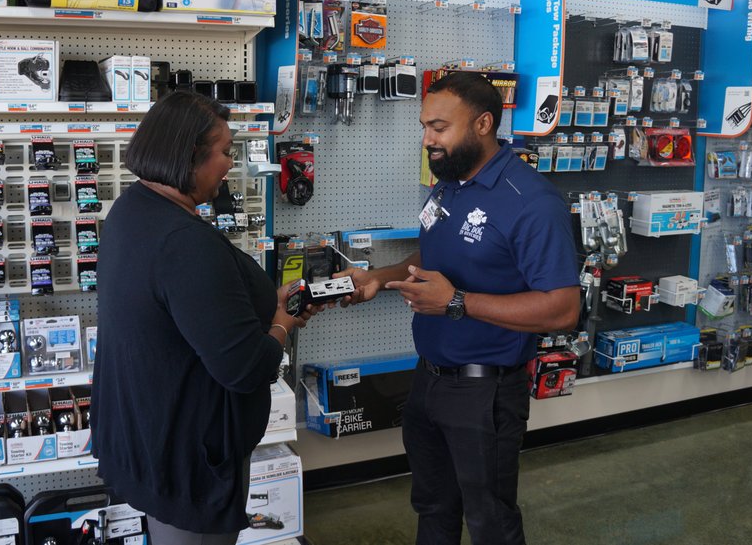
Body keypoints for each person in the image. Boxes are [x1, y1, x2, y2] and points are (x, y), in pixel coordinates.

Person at [336, 72, 580, 545]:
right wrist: (379, 278)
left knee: (491, 522)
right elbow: (437, 256)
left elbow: (563, 309)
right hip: (429, 379)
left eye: (440, 127)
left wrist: (457, 302)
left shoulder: (532, 202)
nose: (428, 139)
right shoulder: (450, 181)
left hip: (485, 393)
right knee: (433, 508)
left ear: (483, 124)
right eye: (425, 126)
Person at [90, 91, 321, 544]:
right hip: (190, 464)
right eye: (225, 152)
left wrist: (260, 305)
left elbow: (188, 312)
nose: (230, 164)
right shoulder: (184, 242)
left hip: (151, 438)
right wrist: (281, 321)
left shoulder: (133, 208)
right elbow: (246, 368)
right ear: (190, 155)